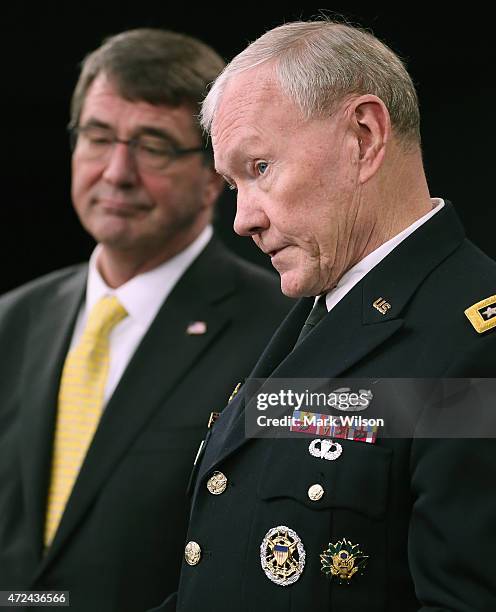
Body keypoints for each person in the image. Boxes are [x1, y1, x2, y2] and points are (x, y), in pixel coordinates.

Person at [156, 20, 496, 611]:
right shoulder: (314, 320)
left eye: (259, 167)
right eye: (232, 183)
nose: (242, 220)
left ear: (364, 137)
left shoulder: (475, 346)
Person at [0, 28, 291, 612]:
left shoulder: (282, 332)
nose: (116, 172)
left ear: (216, 172)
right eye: (98, 136)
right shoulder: (12, 320)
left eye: (153, 145)